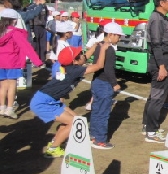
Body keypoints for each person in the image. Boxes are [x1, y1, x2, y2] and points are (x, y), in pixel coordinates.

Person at [30, 44, 108, 158]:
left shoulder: (66, 66)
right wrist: (103, 49)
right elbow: (99, 65)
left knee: (77, 119)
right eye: (80, 55)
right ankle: (53, 149)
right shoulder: (74, 70)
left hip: (49, 99)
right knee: (74, 123)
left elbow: (84, 58)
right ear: (74, 61)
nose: (83, 56)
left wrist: (96, 46)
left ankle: (56, 140)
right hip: (43, 103)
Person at [141, 0, 168, 143]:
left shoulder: (161, 18)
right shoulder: (156, 19)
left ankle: (147, 125)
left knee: (154, 96)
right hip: (160, 65)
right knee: (157, 98)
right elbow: (156, 44)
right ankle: (151, 131)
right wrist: (161, 66)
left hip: (165, 63)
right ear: (162, 2)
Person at [0, 9, 43, 119]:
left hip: (1, 62)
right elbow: (27, 48)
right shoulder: (15, 33)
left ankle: (2, 107)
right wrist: (37, 61)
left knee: (3, 85)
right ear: (14, 21)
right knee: (12, 85)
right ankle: (9, 109)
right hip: (12, 62)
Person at [89, 22, 124, 150]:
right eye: (118, 36)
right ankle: (100, 140)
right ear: (110, 34)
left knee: (96, 110)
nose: (119, 38)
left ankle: (93, 135)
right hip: (104, 84)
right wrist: (114, 84)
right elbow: (108, 69)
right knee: (103, 113)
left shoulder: (98, 46)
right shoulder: (109, 50)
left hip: (96, 81)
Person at [27, 0, 48, 65]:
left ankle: (42, 60)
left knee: (43, 44)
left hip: (42, 26)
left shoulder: (44, 6)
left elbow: (46, 15)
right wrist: (31, 29)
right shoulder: (31, 6)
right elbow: (30, 16)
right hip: (34, 27)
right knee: (35, 44)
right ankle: (35, 60)